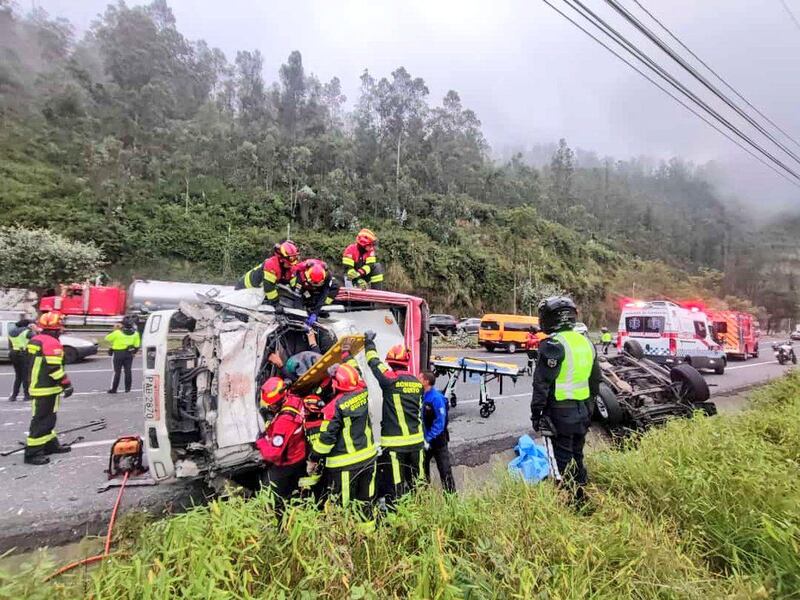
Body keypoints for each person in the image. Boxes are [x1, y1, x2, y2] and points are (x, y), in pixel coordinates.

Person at [530, 296, 600, 503]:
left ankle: (572, 501)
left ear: (549, 319)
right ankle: (582, 494)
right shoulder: (586, 342)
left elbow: (541, 385)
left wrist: (537, 414)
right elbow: (596, 381)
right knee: (577, 455)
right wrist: (589, 408)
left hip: (560, 412)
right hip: (583, 410)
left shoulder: (552, 345)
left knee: (560, 459)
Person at [309, 363, 377, 529]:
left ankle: (344, 541)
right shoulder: (363, 392)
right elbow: (358, 378)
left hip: (344, 465)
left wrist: (313, 459)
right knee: (365, 503)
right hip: (368, 459)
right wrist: (347, 357)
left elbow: (327, 439)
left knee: (342, 506)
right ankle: (367, 537)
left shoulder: (333, 408)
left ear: (336, 384)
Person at [363, 330, 425, 507]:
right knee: (418, 480)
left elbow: (374, 363)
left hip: (395, 444)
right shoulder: (416, 383)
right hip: (417, 442)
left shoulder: (390, 379)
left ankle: (396, 515)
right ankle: (421, 510)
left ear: (390, 362)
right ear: (406, 362)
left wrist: (369, 343)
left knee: (396, 483)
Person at [24, 313, 74, 465]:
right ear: (55, 330)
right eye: (59, 328)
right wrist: (66, 384)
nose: (61, 331)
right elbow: (54, 369)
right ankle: (33, 453)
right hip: (45, 388)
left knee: (48, 417)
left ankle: (50, 444)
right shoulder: (51, 343)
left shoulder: (36, 340)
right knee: (42, 420)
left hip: (39, 386)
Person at [255, 377, 308, 519]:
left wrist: (261, 441)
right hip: (299, 451)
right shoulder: (294, 399)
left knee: (268, 490)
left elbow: (273, 454)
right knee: (292, 488)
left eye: (271, 405)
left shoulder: (284, 421)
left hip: (288, 461)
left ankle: (276, 518)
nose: (269, 407)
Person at [419, 370, 456, 493]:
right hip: (426, 440)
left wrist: (428, 438)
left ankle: (451, 499)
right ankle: (425, 493)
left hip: (438, 440)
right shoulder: (423, 395)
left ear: (426, 381)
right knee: (423, 468)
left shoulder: (436, 398)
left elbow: (440, 423)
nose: (418, 379)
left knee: (445, 470)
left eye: (420, 378)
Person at [236, 240, 300, 307]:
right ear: (282, 258)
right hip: (246, 288)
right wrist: (276, 304)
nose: (294, 262)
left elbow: (293, 282)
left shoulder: (289, 267)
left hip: (259, 289)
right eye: (292, 258)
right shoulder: (272, 265)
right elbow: (269, 287)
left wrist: (300, 292)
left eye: (295, 257)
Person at [293, 259, 340, 328]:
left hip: (317, 286)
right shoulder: (301, 275)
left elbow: (324, 294)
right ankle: (309, 305)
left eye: (317, 284)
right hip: (306, 288)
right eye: (314, 284)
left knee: (335, 286)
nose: (315, 286)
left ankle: (322, 307)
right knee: (306, 296)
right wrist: (301, 317)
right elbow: (297, 296)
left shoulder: (327, 275)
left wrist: (315, 312)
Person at [105, 316, 141, 394]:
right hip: (129, 354)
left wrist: (115, 329)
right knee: (128, 371)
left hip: (118, 353)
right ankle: (127, 389)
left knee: (116, 372)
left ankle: (114, 389)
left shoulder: (117, 332)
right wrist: (133, 353)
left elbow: (107, 338)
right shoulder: (135, 334)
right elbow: (137, 345)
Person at [7, 318, 33, 401]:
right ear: (27, 325)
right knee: (26, 375)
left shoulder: (11, 332)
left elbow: (10, 345)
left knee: (18, 376)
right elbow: (36, 340)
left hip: (13, 354)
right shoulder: (27, 331)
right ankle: (27, 395)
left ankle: (14, 396)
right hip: (23, 354)